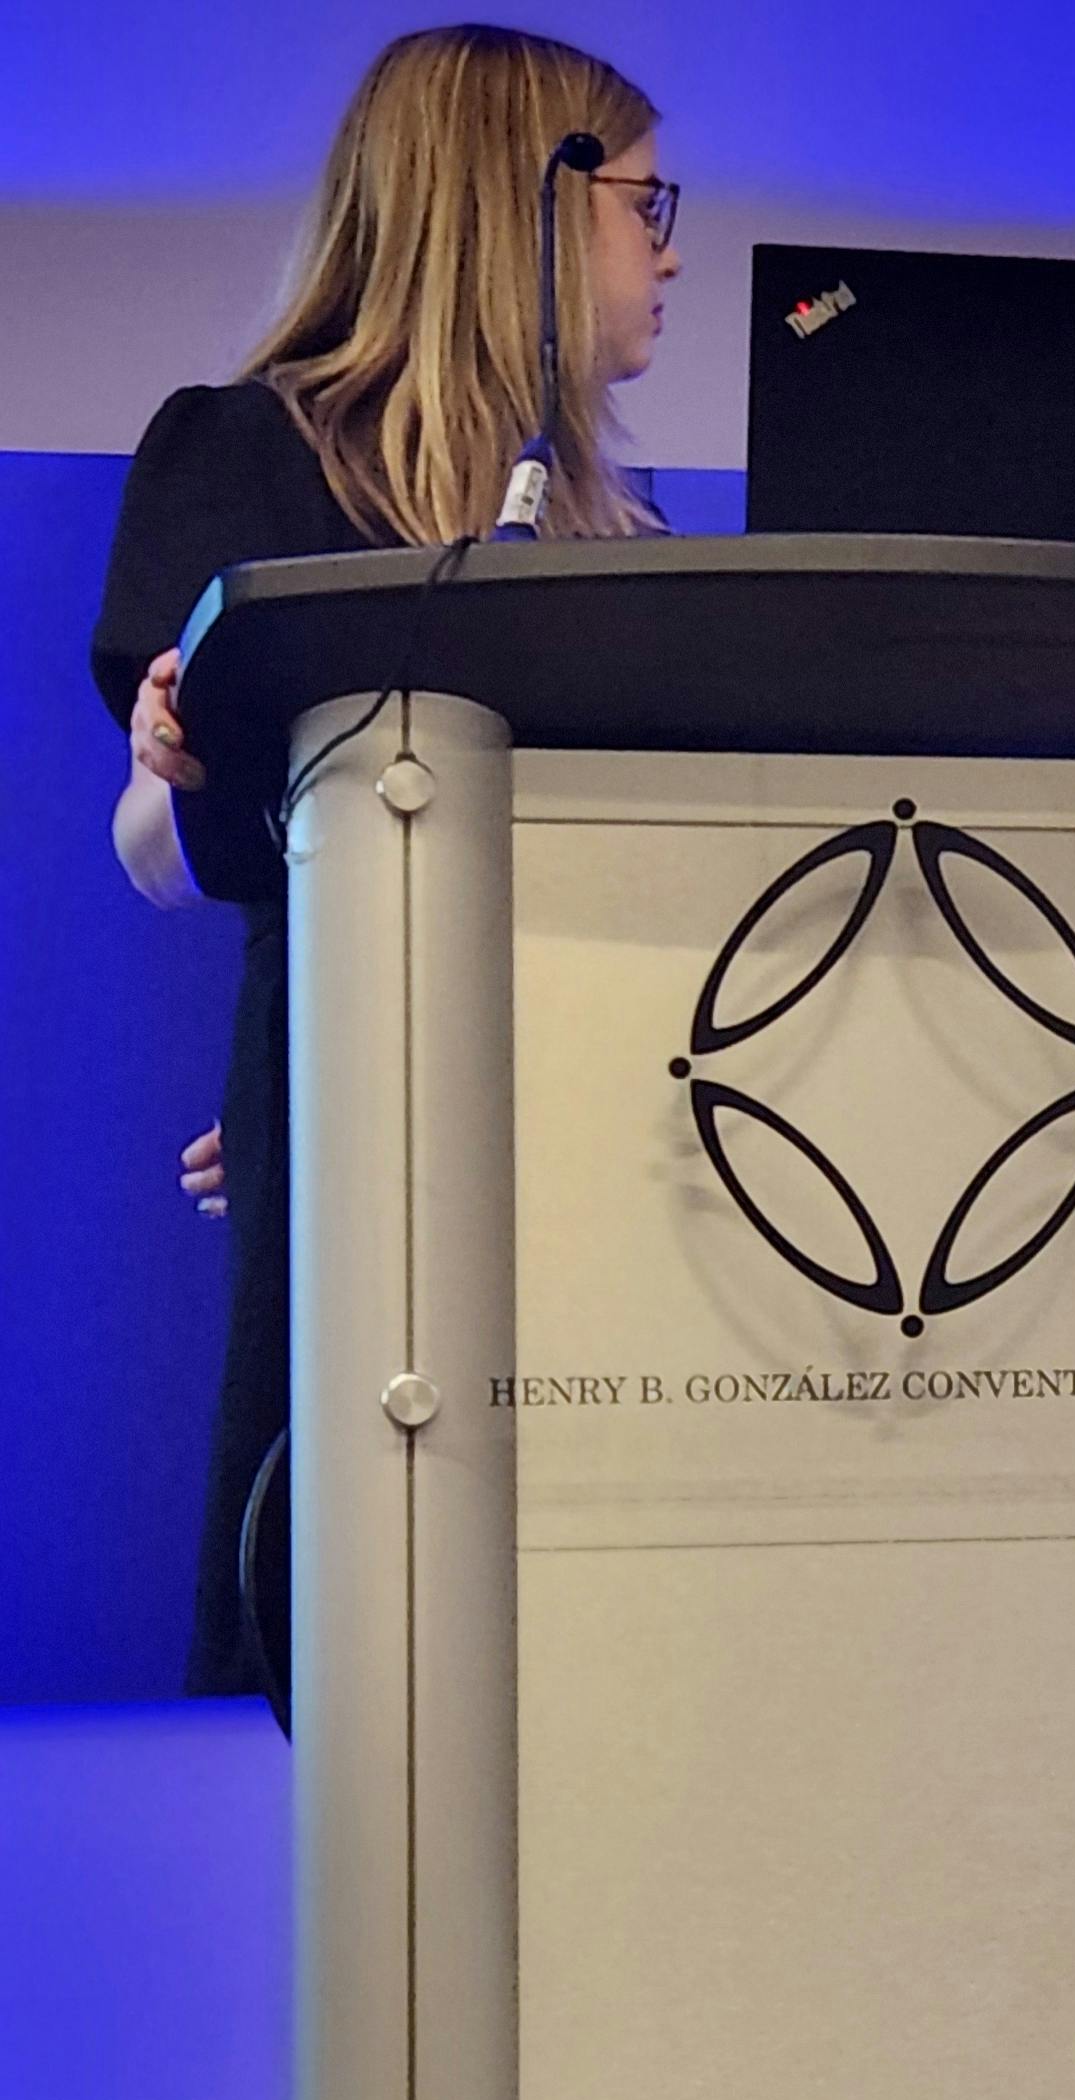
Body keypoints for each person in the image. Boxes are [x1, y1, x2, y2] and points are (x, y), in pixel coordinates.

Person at [91, 24, 680, 1697]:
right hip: (360, 1127)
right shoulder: (244, 457)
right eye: (648, 205)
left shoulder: (626, 532)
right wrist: (311, 1080)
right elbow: (178, 836)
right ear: (524, 206)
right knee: (372, 1641)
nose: (673, 250)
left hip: (612, 1137)